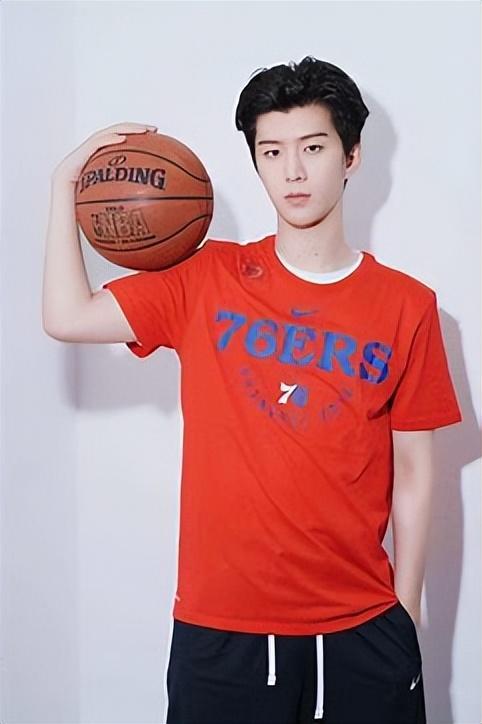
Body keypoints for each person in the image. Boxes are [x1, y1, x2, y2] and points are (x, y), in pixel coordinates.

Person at [42, 56, 462, 724]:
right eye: (272, 152)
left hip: (361, 629)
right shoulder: (207, 277)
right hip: (221, 630)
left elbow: (414, 470)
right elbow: (67, 316)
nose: (293, 171)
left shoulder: (408, 306)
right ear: (257, 163)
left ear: (352, 156)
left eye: (313, 148)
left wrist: (405, 613)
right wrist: (65, 184)